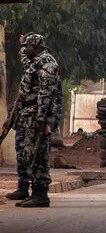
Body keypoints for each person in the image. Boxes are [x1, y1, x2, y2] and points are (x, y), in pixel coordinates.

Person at [12, 33, 59, 208]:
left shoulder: (47, 64)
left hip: (38, 117)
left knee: (39, 154)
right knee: (29, 154)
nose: (25, 49)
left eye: (28, 46)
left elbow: (45, 94)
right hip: (29, 115)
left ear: (36, 47)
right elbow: (24, 58)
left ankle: (41, 194)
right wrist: (20, 47)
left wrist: (41, 119)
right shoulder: (34, 61)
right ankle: (34, 192)